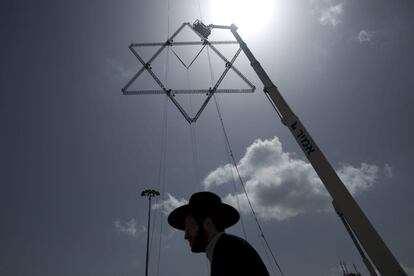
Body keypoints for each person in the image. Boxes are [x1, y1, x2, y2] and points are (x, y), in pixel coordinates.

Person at [168, 191, 270, 276]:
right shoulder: (226, 247)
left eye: (188, 228)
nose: (186, 236)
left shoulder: (229, 250)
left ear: (208, 224)